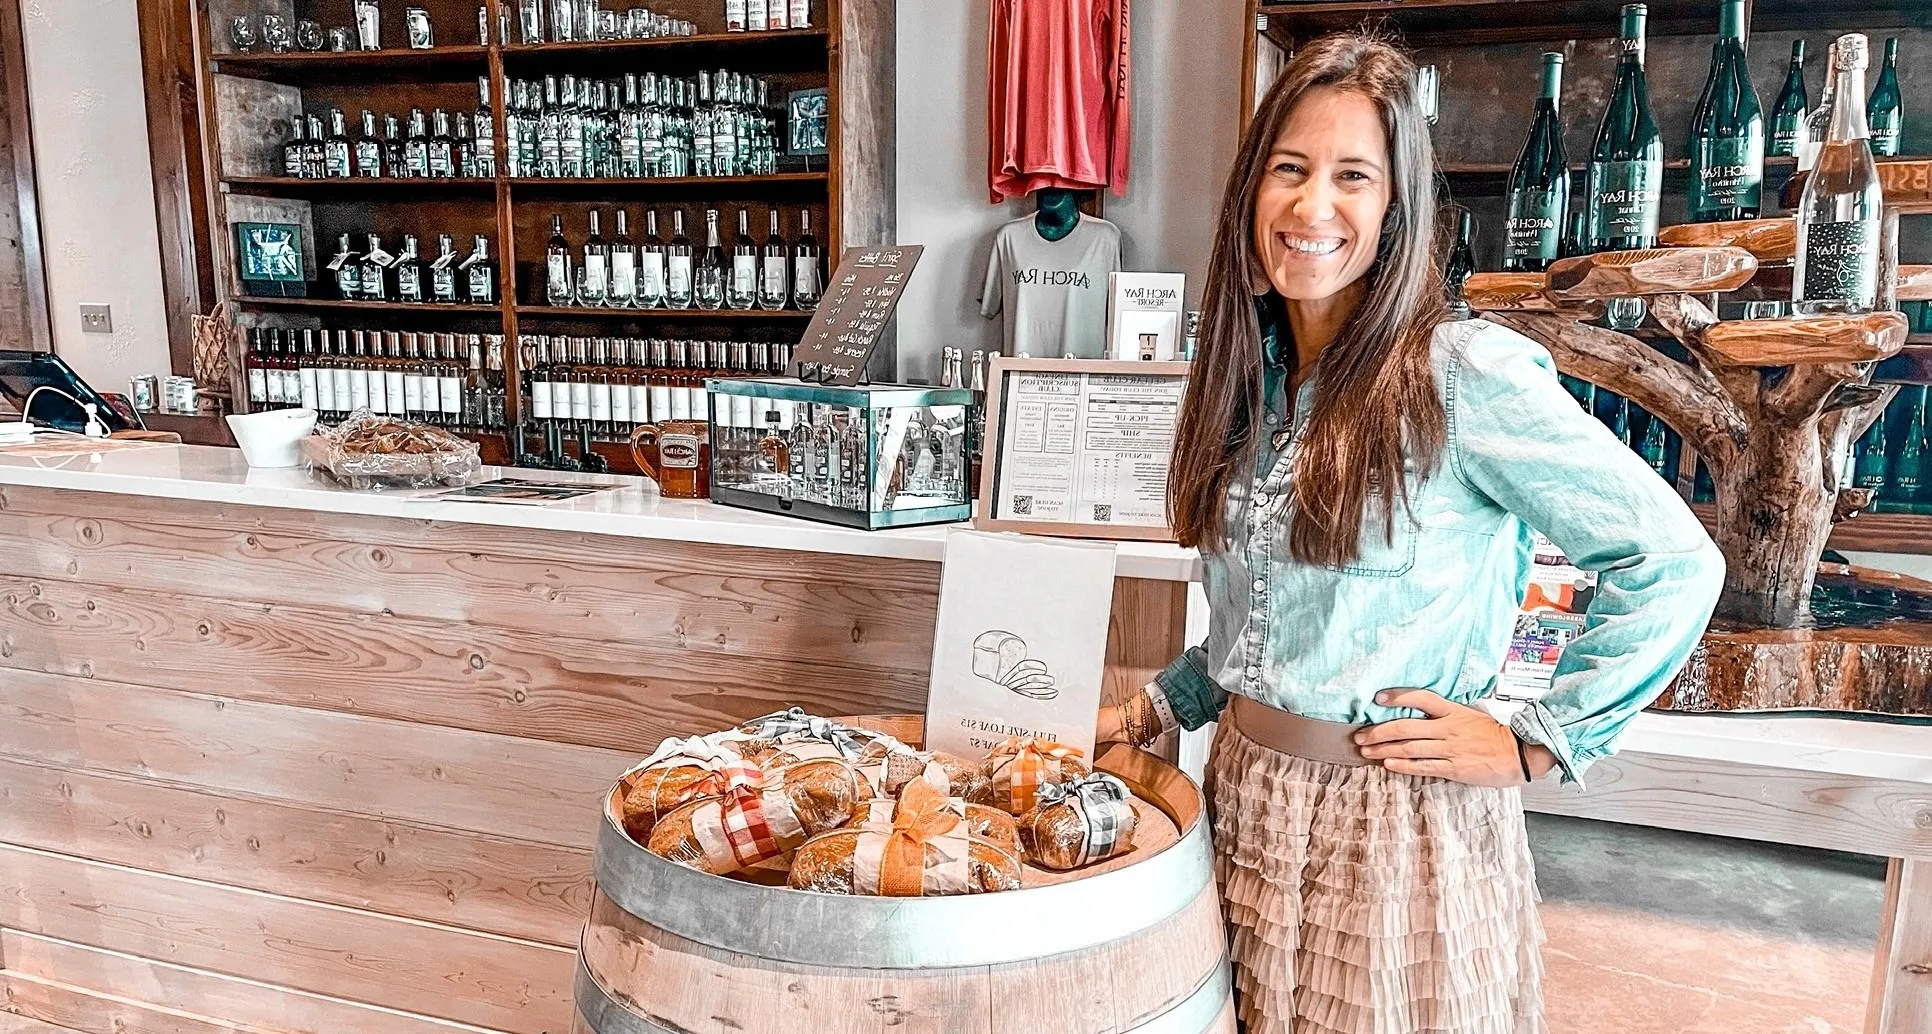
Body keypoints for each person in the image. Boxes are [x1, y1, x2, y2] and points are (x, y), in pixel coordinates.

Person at [1098, 33, 1724, 1034]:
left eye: (1353, 176)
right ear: (1250, 193)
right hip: (1242, 804)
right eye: (1289, 170)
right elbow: (1274, 627)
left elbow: (1673, 559)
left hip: (1396, 830)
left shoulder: (1461, 373)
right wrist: (1154, 706)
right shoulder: (1253, 386)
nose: (1312, 207)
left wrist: (1535, 741)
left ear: (1395, 211)